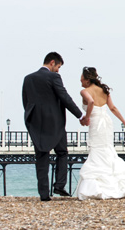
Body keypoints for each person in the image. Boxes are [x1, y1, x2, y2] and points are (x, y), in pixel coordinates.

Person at [75, 67, 125, 200]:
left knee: (97, 150)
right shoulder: (104, 91)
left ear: (86, 79)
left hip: (96, 123)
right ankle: (118, 183)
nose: (80, 80)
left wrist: (87, 117)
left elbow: (91, 101)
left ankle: (99, 187)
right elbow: (113, 108)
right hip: (107, 123)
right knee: (107, 150)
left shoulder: (84, 91)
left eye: (81, 78)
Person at [22, 52, 85, 201]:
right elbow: (64, 97)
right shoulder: (53, 77)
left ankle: (44, 194)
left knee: (41, 157)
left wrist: (32, 118)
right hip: (55, 123)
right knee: (62, 153)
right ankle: (59, 185)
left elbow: (26, 101)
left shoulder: (28, 78)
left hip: (36, 124)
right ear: (52, 63)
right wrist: (80, 115)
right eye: (58, 67)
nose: (58, 70)